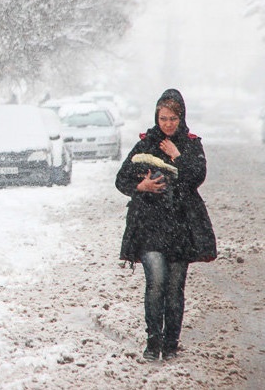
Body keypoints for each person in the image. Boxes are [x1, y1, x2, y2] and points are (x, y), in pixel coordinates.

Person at [115, 88, 217, 361]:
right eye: (163, 118)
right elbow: (121, 179)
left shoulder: (192, 144)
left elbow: (196, 177)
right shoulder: (145, 144)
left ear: (181, 117)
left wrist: (177, 155)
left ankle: (171, 344)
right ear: (156, 118)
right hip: (149, 227)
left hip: (180, 228)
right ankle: (152, 343)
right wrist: (142, 185)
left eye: (173, 118)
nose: (168, 124)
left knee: (174, 288)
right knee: (156, 283)